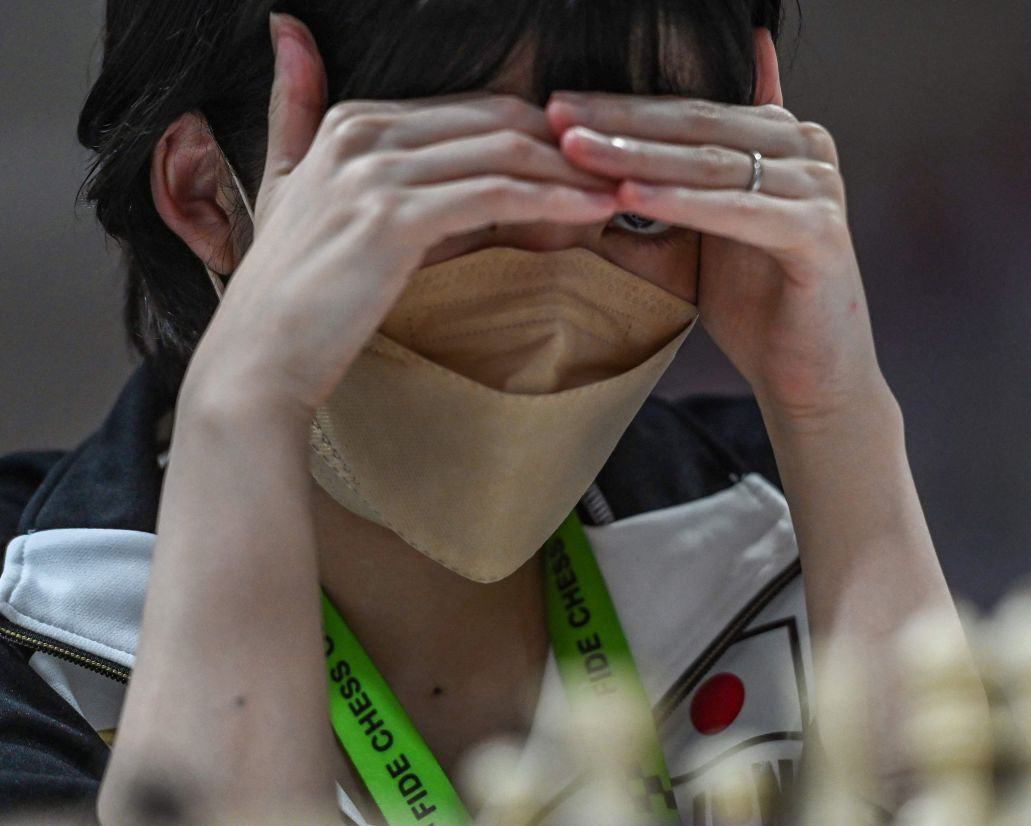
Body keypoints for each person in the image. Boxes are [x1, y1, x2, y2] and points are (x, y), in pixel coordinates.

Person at [0, 1, 965, 823]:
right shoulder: (28, 634)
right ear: (209, 193)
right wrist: (242, 406)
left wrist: (833, 413)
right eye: (453, 190)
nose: (551, 310)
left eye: (639, 211)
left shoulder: (784, 514)